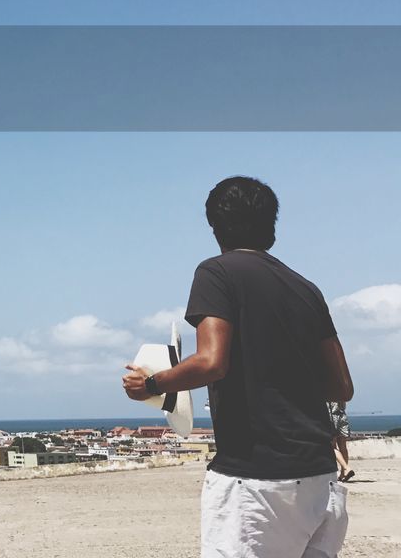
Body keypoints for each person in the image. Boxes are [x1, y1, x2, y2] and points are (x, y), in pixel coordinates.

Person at [122, 176, 355, 558]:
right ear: (272, 226)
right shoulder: (306, 289)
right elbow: (341, 387)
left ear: (215, 227)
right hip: (318, 477)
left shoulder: (216, 273)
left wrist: (151, 384)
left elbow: (212, 362)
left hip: (255, 480)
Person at [328, 402, 354, 482]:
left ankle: (346, 468)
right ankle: (343, 473)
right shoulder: (339, 389)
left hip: (331, 418)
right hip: (342, 415)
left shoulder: (326, 390)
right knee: (343, 447)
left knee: (332, 447)